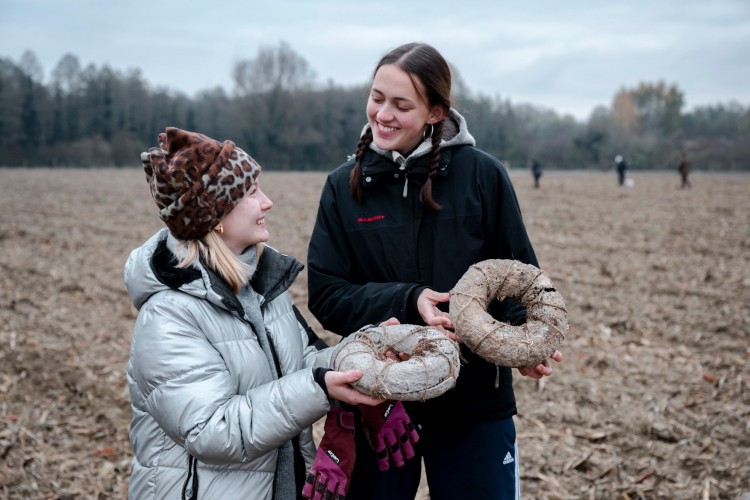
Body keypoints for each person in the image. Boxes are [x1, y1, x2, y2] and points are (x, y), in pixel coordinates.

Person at [306, 42, 563, 500]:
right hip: (378, 402)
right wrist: (409, 300)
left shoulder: (483, 176)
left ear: (434, 112)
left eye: (401, 105)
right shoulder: (344, 188)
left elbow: (520, 277)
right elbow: (327, 295)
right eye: (377, 97)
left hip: (475, 401)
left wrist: (526, 340)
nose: (382, 114)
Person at [124, 127, 383, 500]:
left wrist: (370, 350)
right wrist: (319, 387)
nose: (267, 202)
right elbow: (213, 431)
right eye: (251, 193)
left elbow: (304, 365)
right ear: (214, 216)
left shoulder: (260, 286)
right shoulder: (169, 315)